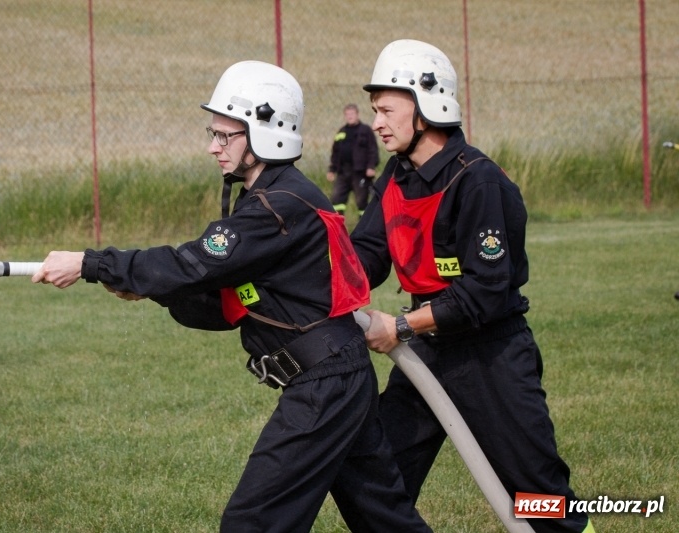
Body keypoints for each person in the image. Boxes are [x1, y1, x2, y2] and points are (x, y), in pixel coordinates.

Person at [32, 60, 431, 533]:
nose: (212, 147)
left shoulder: (276, 207)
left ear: (266, 132)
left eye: (225, 136)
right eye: (213, 133)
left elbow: (194, 262)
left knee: (253, 522)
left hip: (325, 386)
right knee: (385, 519)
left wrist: (90, 263)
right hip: (337, 378)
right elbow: (224, 298)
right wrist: (155, 289)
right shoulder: (271, 199)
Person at [350, 40, 595, 533]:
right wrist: (313, 271)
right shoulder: (397, 178)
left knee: (537, 496)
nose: (377, 122)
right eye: (375, 110)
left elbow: (484, 292)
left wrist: (400, 326)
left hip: (489, 355)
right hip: (428, 351)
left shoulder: (477, 182)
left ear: (426, 106)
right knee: (376, 477)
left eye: (386, 110)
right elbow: (368, 256)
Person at [326, 103, 379, 217]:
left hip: (360, 172)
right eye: (347, 114)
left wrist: (371, 166)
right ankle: (338, 228)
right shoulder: (341, 132)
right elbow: (335, 153)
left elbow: (373, 150)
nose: (350, 116)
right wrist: (331, 170)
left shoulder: (365, 130)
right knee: (336, 199)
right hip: (343, 172)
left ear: (357, 114)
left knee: (361, 201)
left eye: (352, 114)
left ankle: (363, 229)